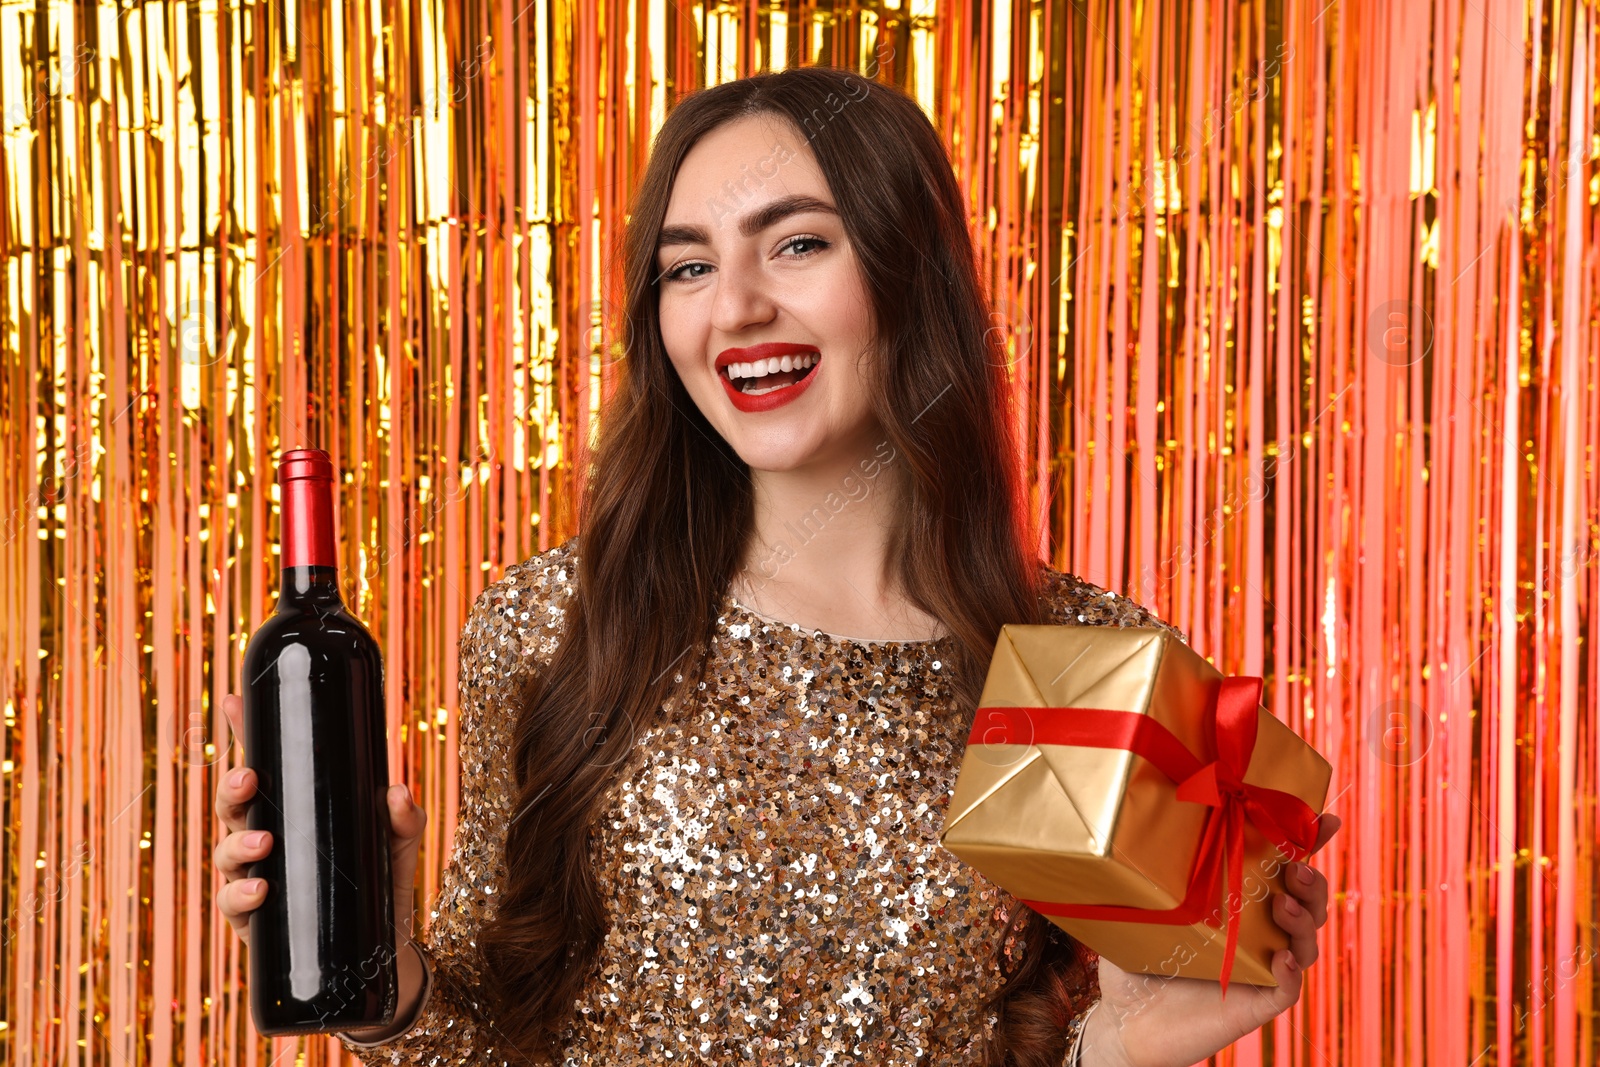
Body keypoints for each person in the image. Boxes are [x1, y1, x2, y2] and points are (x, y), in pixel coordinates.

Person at [213, 65, 1340, 1066]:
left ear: (910, 269)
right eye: (688, 266)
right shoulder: (555, 619)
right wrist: (380, 975)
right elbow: (477, 1040)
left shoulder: (1084, 665)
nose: (738, 307)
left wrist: (1127, 1045)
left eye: (798, 242)